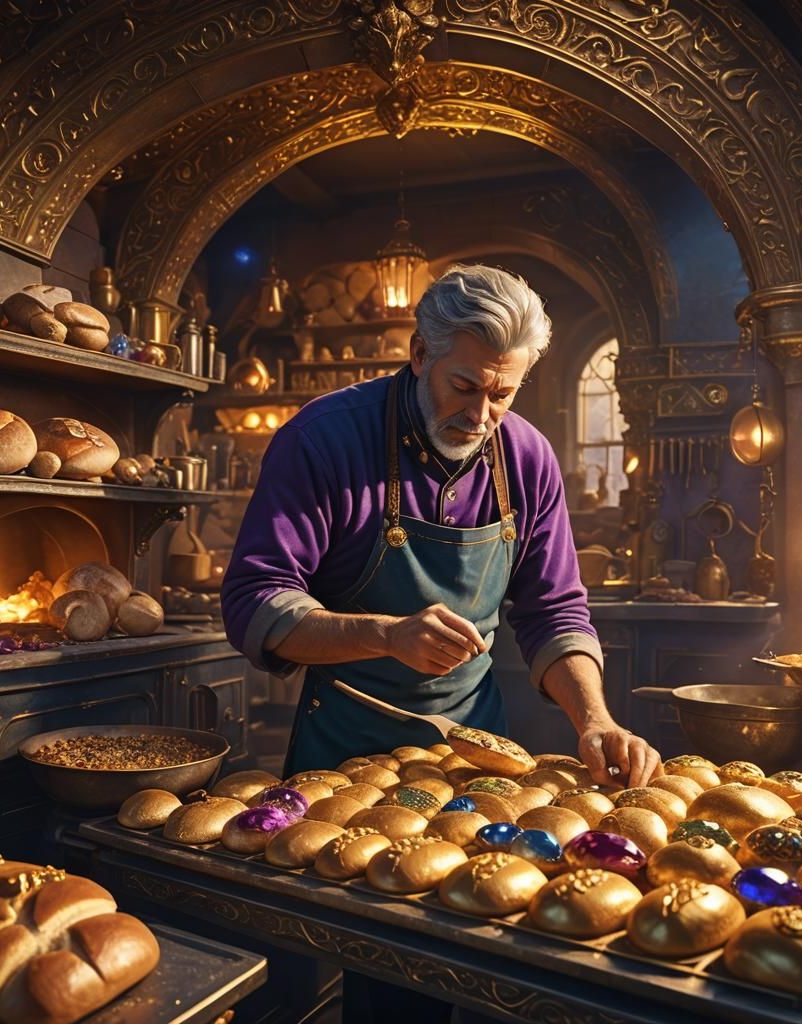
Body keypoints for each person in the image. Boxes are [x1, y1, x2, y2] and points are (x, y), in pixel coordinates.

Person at [221, 264, 660, 1023]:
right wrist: (387, 634)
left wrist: (593, 718)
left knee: (486, 954)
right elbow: (255, 602)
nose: (483, 412)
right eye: (465, 386)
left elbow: (554, 608)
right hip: (347, 749)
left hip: (474, 748)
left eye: (504, 393)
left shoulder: (525, 459)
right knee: (377, 972)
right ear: (420, 356)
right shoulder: (326, 440)